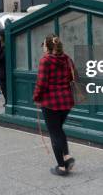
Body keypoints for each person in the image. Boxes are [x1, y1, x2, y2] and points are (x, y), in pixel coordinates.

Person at [33, 34, 76, 177]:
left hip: (51, 103)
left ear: (48, 46)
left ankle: (62, 167)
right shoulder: (67, 58)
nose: (43, 48)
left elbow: (41, 84)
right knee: (59, 130)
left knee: (54, 133)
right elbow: (74, 76)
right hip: (66, 101)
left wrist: (36, 98)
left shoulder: (45, 61)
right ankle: (67, 156)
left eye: (44, 45)